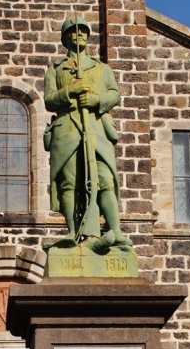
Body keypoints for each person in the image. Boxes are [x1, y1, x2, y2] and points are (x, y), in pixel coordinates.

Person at [43, 17, 131, 248]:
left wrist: (95, 100)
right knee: (69, 183)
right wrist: (71, 90)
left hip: (96, 129)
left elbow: (114, 94)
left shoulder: (102, 68)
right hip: (68, 129)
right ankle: (73, 233)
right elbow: (49, 100)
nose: (78, 35)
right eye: (73, 31)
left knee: (105, 180)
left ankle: (115, 230)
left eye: (82, 31)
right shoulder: (55, 68)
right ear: (65, 38)